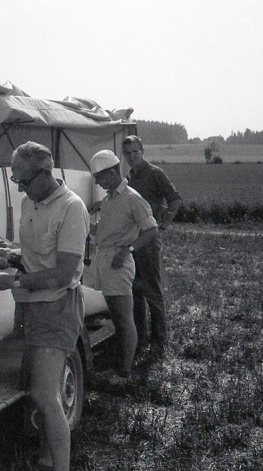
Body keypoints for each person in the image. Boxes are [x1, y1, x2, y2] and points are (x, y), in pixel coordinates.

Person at [0, 141, 89, 471]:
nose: (21, 189)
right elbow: (35, 254)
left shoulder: (72, 207)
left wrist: (13, 281)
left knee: (45, 395)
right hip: (31, 304)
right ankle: (47, 456)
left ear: (46, 173)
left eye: (24, 181)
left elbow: (64, 271)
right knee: (42, 390)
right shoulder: (32, 201)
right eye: (16, 182)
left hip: (56, 306)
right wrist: (11, 255)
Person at [87, 149, 158, 381]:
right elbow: (110, 230)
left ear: (111, 173)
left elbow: (151, 231)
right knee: (117, 318)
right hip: (106, 260)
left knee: (124, 319)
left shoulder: (132, 198)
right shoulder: (110, 199)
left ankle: (124, 371)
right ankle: (119, 365)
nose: (98, 182)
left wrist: (128, 249)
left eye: (100, 178)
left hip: (119, 263)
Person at [122, 135, 182, 359]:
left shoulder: (155, 173)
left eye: (135, 152)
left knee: (152, 291)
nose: (131, 157)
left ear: (143, 151)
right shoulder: (128, 176)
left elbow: (174, 199)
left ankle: (160, 342)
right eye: (127, 153)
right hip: (132, 242)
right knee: (135, 291)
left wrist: (163, 225)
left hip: (149, 241)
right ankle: (141, 340)